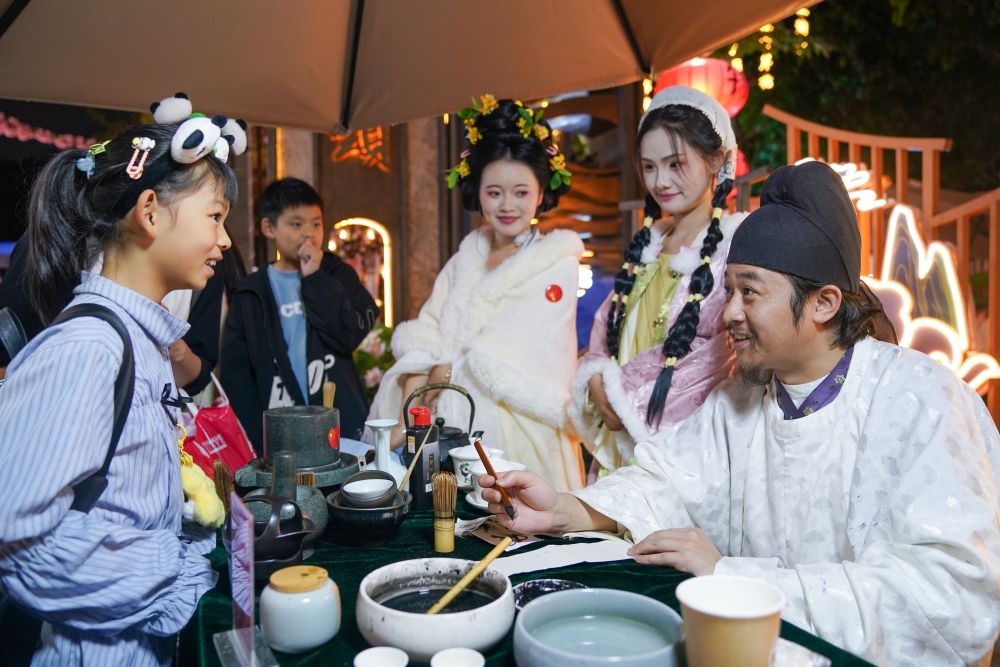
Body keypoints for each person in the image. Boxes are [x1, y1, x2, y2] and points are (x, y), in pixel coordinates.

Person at [481, 161, 1000, 665]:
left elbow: (950, 598)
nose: (728, 313)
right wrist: (564, 509)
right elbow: (668, 480)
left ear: (823, 303)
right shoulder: (745, 395)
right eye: (728, 291)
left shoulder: (923, 400)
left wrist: (735, 577)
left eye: (749, 292)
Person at [0, 118, 238, 665]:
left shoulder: (139, 342)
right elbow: (24, 543)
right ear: (150, 212)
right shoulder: (89, 349)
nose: (225, 239)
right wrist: (184, 573)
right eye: (215, 216)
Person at [367, 95, 585, 491]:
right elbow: (428, 329)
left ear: (541, 193)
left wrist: (447, 367)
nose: (507, 205)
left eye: (521, 192)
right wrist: (429, 371)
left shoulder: (556, 264)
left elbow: (528, 352)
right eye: (494, 192)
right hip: (449, 421)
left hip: (518, 427)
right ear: (477, 191)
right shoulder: (467, 257)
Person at [570, 86, 747, 475]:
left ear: (716, 160)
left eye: (675, 164)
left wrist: (622, 398)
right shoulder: (648, 245)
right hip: (621, 447)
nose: (660, 181)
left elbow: (715, 364)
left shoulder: (734, 250)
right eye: (649, 167)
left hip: (686, 454)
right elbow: (605, 333)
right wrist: (596, 378)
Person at [221, 177, 378, 448]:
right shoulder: (251, 292)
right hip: (279, 430)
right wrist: (256, 439)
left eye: (316, 224)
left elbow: (348, 335)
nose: (309, 234)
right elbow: (237, 374)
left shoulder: (336, 274)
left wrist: (315, 278)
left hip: (340, 425)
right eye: (296, 224)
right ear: (269, 228)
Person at [0, 227, 243, 394]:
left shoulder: (206, 271)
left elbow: (198, 376)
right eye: (213, 215)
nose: (224, 239)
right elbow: (8, 347)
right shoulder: (58, 240)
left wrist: (168, 339)